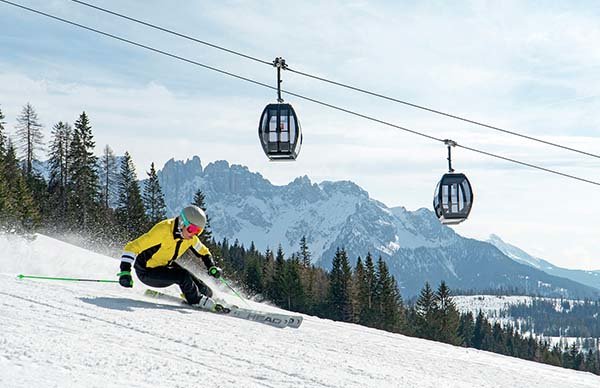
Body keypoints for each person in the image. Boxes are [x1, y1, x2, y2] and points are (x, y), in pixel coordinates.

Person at [117, 205, 223, 310]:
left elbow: (203, 252)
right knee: (182, 276)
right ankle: (195, 300)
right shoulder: (163, 231)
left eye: (198, 231)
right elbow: (132, 247)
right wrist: (125, 272)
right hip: (146, 271)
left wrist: (211, 266)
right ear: (182, 222)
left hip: (164, 265)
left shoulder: (190, 237)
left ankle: (209, 296)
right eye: (192, 229)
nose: (194, 234)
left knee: (202, 287)